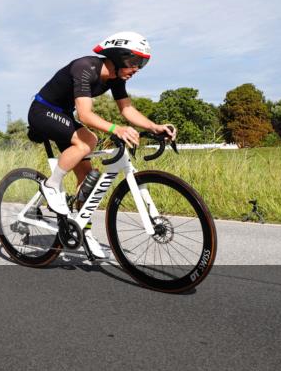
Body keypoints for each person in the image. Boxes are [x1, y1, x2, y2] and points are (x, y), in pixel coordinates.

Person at [28, 31, 175, 258]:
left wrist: (154, 127)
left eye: (142, 64)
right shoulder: (85, 67)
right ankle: (51, 185)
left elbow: (127, 110)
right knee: (89, 140)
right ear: (116, 57)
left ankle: (84, 232)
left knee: (87, 179)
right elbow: (85, 115)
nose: (136, 69)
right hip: (42, 111)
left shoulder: (116, 78)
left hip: (64, 115)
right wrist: (117, 129)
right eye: (134, 62)